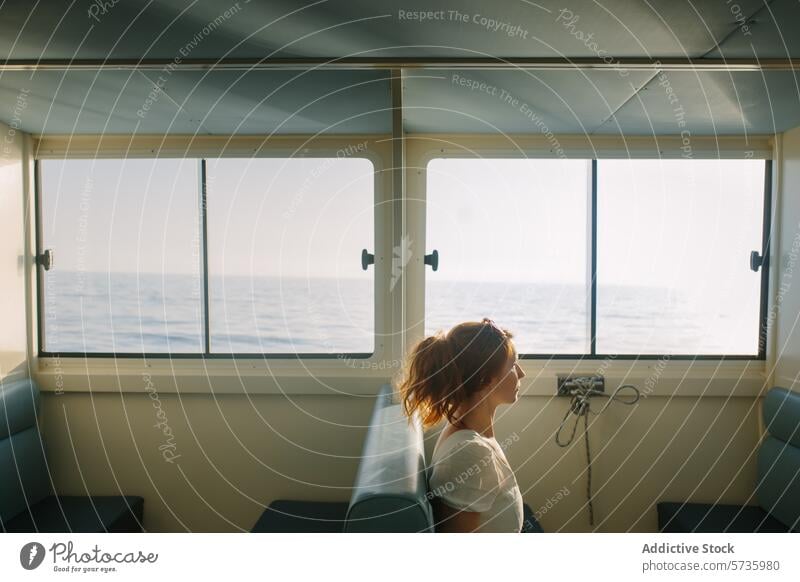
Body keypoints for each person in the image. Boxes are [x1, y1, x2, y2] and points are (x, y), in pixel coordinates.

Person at [396, 317, 526, 532]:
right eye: (513, 366)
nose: (522, 373)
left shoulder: (473, 437)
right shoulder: (470, 453)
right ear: (485, 378)